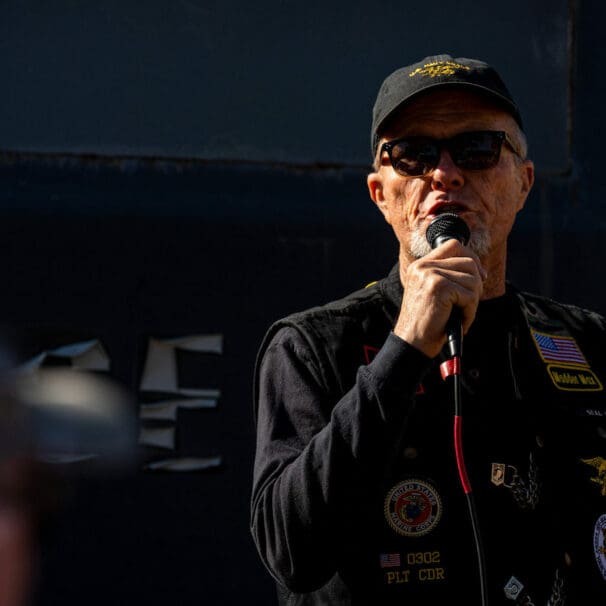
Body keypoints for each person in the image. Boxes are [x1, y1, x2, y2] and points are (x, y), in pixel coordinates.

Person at [250, 53, 606, 605]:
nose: (445, 173)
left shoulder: (588, 344)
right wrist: (405, 347)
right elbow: (293, 553)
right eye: (414, 155)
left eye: (477, 149)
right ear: (380, 194)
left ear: (523, 183)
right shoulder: (314, 346)